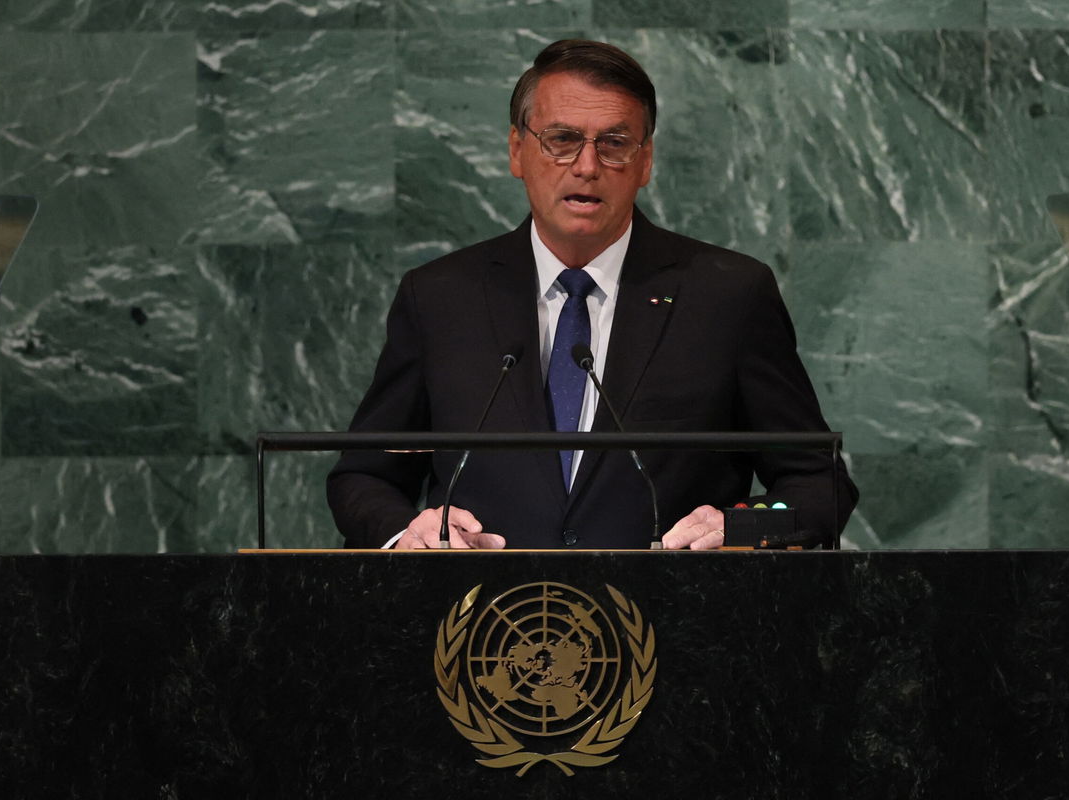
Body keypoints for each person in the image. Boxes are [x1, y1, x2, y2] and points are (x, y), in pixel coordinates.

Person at [327, 39, 857, 550]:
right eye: (561, 139)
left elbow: (819, 486)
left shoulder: (728, 296)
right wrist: (406, 533)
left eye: (615, 143)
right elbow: (364, 479)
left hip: (675, 627)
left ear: (646, 161)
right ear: (517, 150)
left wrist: (742, 526)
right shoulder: (441, 298)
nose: (587, 166)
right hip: (484, 630)